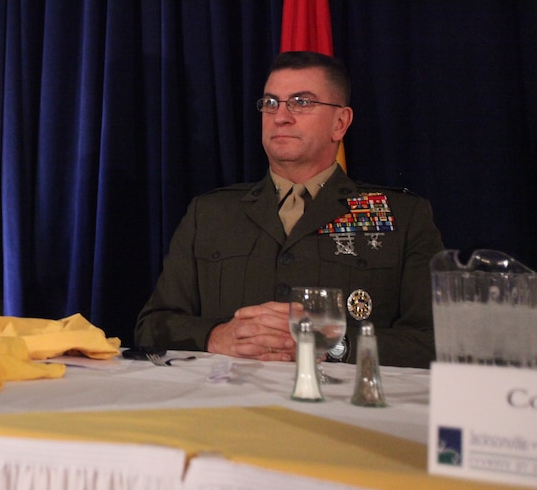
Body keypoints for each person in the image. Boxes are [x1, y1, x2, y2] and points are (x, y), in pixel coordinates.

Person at [134, 51, 443, 368]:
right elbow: (152, 326)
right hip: (228, 404)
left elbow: (434, 339)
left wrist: (334, 344)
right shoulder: (210, 213)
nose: (280, 116)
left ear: (340, 123)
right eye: (271, 103)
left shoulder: (402, 216)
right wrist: (215, 335)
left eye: (302, 102)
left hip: (340, 408)